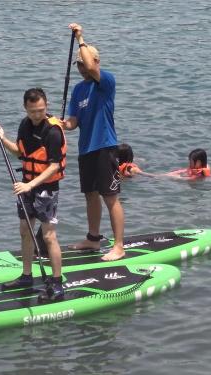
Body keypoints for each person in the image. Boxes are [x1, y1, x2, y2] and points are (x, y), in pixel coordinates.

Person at [0, 88, 65, 301]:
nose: (37, 115)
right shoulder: (24, 124)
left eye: (41, 110)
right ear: (25, 108)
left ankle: (57, 282)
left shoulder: (53, 131)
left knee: (48, 235)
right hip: (27, 184)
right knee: (25, 229)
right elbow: (20, 154)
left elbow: (54, 166)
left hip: (45, 188)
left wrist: (30, 185)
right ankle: (26, 276)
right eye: (33, 111)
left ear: (46, 105)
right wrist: (2, 138)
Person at [63, 23, 125, 261]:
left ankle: (119, 246)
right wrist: (59, 124)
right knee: (90, 195)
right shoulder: (78, 90)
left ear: (95, 62)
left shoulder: (106, 82)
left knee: (110, 197)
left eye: (83, 63)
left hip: (105, 146)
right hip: (86, 148)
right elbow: (73, 122)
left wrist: (80, 38)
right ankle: (93, 239)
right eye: (77, 64)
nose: (81, 67)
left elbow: (91, 65)